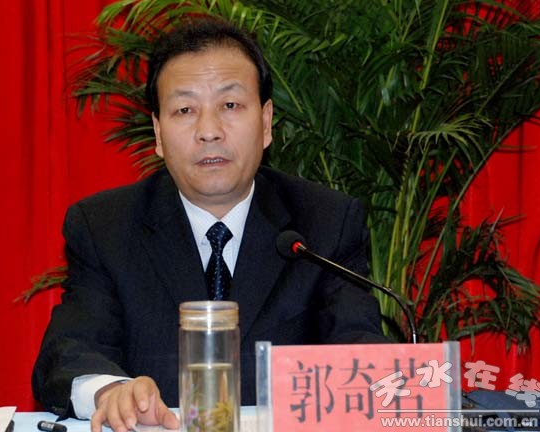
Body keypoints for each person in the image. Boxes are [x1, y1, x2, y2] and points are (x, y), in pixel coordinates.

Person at [32, 18, 386, 432]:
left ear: (266, 122)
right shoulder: (106, 227)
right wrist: (112, 392)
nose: (209, 132)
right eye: (185, 110)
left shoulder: (326, 223)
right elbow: (70, 350)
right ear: (158, 133)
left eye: (230, 105)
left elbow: (359, 347)